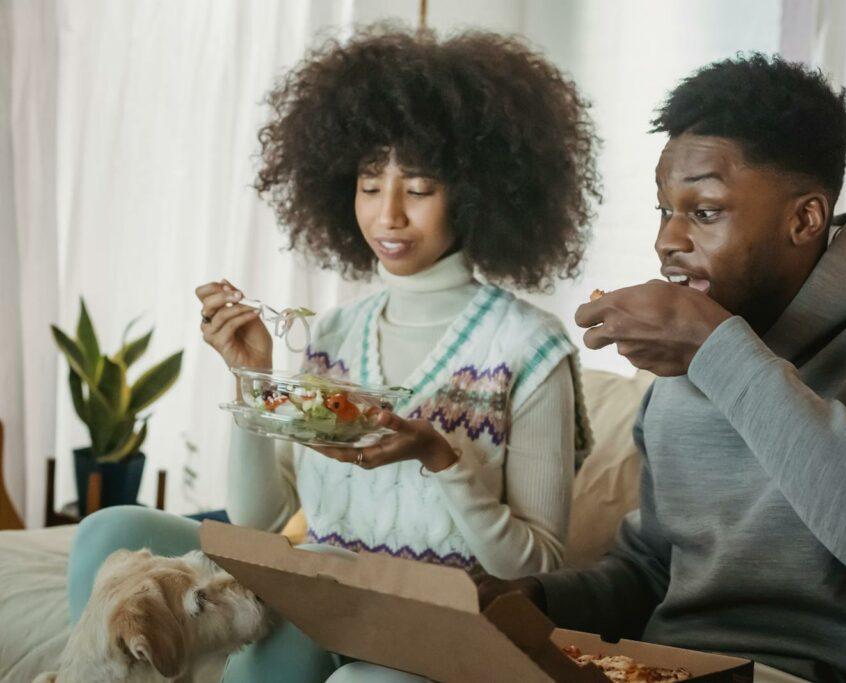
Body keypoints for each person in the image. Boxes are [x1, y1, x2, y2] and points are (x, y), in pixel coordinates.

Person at [65, 26, 598, 682]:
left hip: (438, 630)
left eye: (420, 188)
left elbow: (535, 564)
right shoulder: (336, 335)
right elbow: (258, 520)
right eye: (370, 183)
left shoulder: (527, 347)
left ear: (476, 190)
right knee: (106, 533)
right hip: (318, 601)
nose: (388, 214)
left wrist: (441, 457)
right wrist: (252, 378)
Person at [476, 54, 846, 683]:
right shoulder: (684, 364)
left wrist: (718, 351)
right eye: (662, 210)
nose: (667, 241)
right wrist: (534, 600)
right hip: (663, 667)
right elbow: (655, 570)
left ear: (804, 219)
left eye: (704, 212)